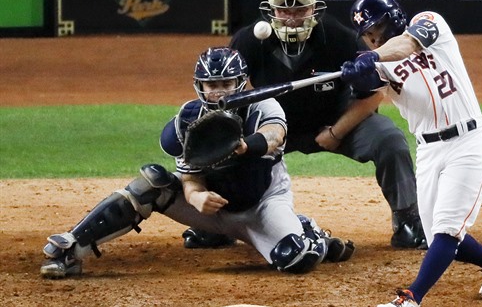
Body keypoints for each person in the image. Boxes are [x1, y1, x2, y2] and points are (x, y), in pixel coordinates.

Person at [39, 46, 355, 279]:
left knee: (297, 259)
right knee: (152, 183)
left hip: (262, 207)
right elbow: (189, 176)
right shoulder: (187, 120)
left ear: (241, 83)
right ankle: (72, 248)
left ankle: (309, 233)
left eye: (226, 84)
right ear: (200, 86)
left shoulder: (262, 106)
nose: (218, 92)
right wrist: (196, 196)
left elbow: (274, 135)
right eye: (211, 85)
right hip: (212, 210)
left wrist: (243, 146)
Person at [182, 0, 427, 251]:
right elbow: (228, 94)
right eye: (284, 11)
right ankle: (217, 223)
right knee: (225, 141)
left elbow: (374, 93)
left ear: (314, 10)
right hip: (271, 128)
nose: (291, 18)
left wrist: (337, 132)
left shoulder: (338, 37)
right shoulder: (250, 40)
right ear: (271, 11)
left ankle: (408, 220)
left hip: (332, 122)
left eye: (299, 10)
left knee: (388, 139)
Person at [340, 0, 482, 306]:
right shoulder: (380, 64)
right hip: (428, 151)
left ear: (393, 18)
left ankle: (411, 298)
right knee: (437, 235)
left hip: (468, 141)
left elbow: (404, 46)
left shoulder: (429, 23)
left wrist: (372, 57)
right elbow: (367, 84)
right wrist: (355, 74)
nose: (372, 38)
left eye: (376, 29)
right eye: (367, 35)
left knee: (448, 230)